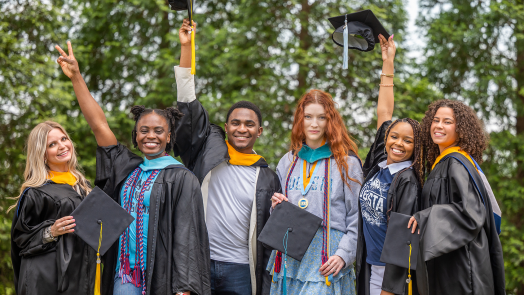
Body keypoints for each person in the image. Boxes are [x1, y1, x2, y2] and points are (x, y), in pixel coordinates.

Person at [55, 41, 211, 295]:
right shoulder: (127, 168)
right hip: (125, 275)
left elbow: (188, 235)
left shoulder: (182, 177)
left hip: (164, 278)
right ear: (136, 137)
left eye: (159, 131)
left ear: (169, 137)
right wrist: (76, 78)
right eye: (144, 130)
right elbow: (99, 126)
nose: (151, 136)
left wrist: (185, 288)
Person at [175, 20, 281, 295]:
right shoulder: (209, 148)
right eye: (235, 123)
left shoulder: (268, 176)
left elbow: (275, 231)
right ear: (226, 126)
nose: (241, 129)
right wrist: (187, 49)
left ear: (260, 130)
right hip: (201, 261)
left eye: (249, 124)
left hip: (242, 269)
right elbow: (188, 105)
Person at [269, 89, 363, 294]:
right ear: (300, 120)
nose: (314, 124)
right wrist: (276, 206)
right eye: (308, 117)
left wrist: (344, 254)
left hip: (327, 255)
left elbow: (357, 217)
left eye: (321, 117)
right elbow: (281, 213)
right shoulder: (288, 161)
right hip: (291, 255)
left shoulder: (347, 163)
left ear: (330, 121)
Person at [408, 99, 505, 295]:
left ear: (460, 129)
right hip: (451, 260)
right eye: (436, 120)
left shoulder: (456, 163)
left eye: (447, 122)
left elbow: (471, 213)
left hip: (463, 265)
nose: (439, 126)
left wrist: (426, 217)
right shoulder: (445, 163)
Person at [355, 34, 424, 295]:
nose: (398, 143)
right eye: (394, 137)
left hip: (389, 272)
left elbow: (402, 238)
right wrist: (388, 63)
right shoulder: (379, 164)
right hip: (370, 262)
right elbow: (384, 113)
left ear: (416, 148)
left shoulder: (407, 179)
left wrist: (390, 287)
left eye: (408, 140)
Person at [10, 121, 96, 295]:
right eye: (52, 144)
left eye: (64, 139)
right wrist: (51, 231)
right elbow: (21, 239)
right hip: (47, 279)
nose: (62, 146)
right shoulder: (36, 192)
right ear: (42, 154)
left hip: (81, 274)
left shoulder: (82, 186)